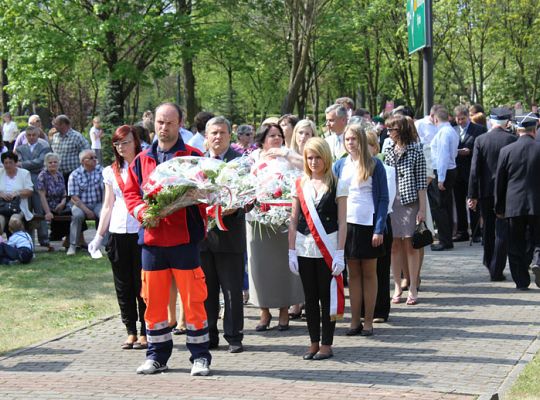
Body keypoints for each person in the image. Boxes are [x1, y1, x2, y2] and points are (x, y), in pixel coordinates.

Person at [124, 102, 211, 376]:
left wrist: (201, 197)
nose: (164, 127)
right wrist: (142, 211)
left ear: (180, 123)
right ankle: (157, 356)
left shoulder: (193, 156)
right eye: (160, 122)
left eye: (169, 122)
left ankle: (200, 357)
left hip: (184, 240)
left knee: (193, 301)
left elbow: (209, 191)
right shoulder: (141, 159)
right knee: (154, 302)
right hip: (152, 241)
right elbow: (131, 193)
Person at [88, 125, 147, 350]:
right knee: (123, 285)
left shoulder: (146, 166)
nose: (122, 147)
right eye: (117, 144)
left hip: (140, 229)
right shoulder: (110, 171)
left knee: (142, 283)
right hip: (118, 231)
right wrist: (99, 235)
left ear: (135, 142)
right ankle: (130, 329)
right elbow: (107, 205)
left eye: (126, 142)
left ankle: (145, 330)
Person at [288, 137, 347, 360]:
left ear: (326, 157)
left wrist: (340, 253)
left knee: (326, 297)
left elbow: (342, 222)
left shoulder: (337, 184)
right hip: (304, 249)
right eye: (309, 157)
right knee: (309, 298)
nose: (313, 161)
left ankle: (327, 343)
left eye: (317, 157)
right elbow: (294, 220)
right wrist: (291, 250)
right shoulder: (300, 184)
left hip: (328, 249)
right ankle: (313, 342)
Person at [246, 123, 304, 332]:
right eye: (272, 136)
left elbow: (305, 166)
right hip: (258, 221)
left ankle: (283, 311)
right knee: (261, 268)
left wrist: (286, 152)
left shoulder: (288, 158)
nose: (277, 139)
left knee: (282, 269)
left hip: (284, 221)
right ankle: (264, 312)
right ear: (262, 139)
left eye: (279, 135)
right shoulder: (253, 159)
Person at [333, 124, 389, 336]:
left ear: (362, 141)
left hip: (369, 223)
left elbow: (383, 198)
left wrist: (379, 228)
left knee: (369, 273)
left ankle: (368, 321)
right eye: (347, 139)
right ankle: (354, 320)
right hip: (347, 224)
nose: (350, 143)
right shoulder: (339, 165)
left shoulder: (375, 164)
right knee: (353, 274)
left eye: (354, 139)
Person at [201, 116, 245, 353]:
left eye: (222, 133)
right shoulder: (197, 164)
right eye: (213, 133)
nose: (218, 137)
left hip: (230, 235)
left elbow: (249, 197)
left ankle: (234, 336)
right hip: (205, 238)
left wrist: (235, 206)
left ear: (230, 135)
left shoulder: (240, 163)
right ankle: (209, 335)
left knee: (231, 290)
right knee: (206, 291)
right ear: (206, 137)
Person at [468, 108, 517, 281]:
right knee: (503, 230)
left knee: (488, 229)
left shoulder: (481, 140)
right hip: (507, 192)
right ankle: (498, 266)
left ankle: (490, 264)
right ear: (507, 122)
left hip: (486, 192)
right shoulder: (512, 139)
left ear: (491, 120)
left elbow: (475, 170)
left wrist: (471, 195)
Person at [383, 115, 427, 305]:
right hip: (392, 203)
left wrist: (422, 210)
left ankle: (413, 287)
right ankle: (397, 286)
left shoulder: (416, 151)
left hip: (410, 202)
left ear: (400, 130)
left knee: (411, 245)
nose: (388, 133)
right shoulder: (387, 150)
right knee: (394, 246)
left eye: (391, 130)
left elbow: (422, 183)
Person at [495, 114, 540, 290]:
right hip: (537, 204)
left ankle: (521, 281)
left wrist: (499, 207)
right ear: (534, 130)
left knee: (515, 244)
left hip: (513, 205)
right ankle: (537, 261)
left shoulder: (506, 151)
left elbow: (500, 182)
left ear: (518, 130)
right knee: (538, 239)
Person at [366, 131, 396, 321]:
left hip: (381, 220)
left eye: (368, 145)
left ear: (375, 148)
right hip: (361, 221)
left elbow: (387, 199)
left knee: (381, 269)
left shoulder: (387, 169)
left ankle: (380, 309)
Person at [453, 105, 487, 242]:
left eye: (463, 118)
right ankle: (462, 231)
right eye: (458, 119)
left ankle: (476, 231)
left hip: (472, 171)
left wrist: (470, 151)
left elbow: (483, 149)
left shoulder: (479, 130)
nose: (460, 121)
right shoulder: (452, 129)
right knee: (459, 202)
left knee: (473, 201)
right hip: (456, 172)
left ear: (468, 117)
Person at [15, 126, 52, 250]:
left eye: (33, 135)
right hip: (24, 183)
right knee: (27, 211)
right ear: (25, 136)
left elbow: (41, 162)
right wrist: (28, 165)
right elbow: (18, 164)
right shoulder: (20, 149)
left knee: (40, 210)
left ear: (37, 135)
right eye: (28, 135)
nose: (31, 137)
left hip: (39, 181)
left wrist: (24, 164)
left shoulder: (44, 147)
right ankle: (28, 239)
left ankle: (44, 239)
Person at [428, 107, 459, 251]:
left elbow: (442, 156)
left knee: (439, 207)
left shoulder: (443, 133)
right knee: (445, 206)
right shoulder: (451, 131)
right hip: (449, 169)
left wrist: (440, 178)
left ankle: (444, 240)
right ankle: (446, 238)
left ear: (435, 118)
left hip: (443, 171)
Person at [66, 149, 103, 255]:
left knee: (104, 214)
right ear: (83, 161)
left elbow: (106, 190)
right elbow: (74, 197)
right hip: (80, 204)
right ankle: (73, 245)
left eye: (95, 157)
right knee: (77, 216)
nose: (95, 160)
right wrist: (87, 211)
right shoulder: (75, 174)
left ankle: (105, 245)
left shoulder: (102, 171)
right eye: (91, 158)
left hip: (98, 203)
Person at [36, 153, 71, 243]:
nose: (53, 164)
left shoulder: (59, 174)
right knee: (64, 214)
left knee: (73, 212)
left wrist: (62, 203)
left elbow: (64, 192)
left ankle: (70, 239)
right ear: (46, 164)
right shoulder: (42, 176)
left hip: (60, 204)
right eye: (50, 162)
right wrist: (48, 212)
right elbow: (42, 196)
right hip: (47, 205)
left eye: (55, 162)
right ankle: (58, 236)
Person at [0, 152, 34, 237]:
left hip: (18, 207)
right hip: (1, 207)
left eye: (10, 162)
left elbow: (30, 191)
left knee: (14, 221)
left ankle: (19, 244)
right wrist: (1, 194)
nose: (8, 165)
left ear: (15, 163)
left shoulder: (24, 173)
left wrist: (17, 193)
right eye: (5, 163)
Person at [50, 115, 90, 184]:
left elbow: (87, 153)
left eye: (56, 124)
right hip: (58, 175)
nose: (54, 126)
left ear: (63, 124)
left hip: (73, 175)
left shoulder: (77, 137)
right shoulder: (55, 137)